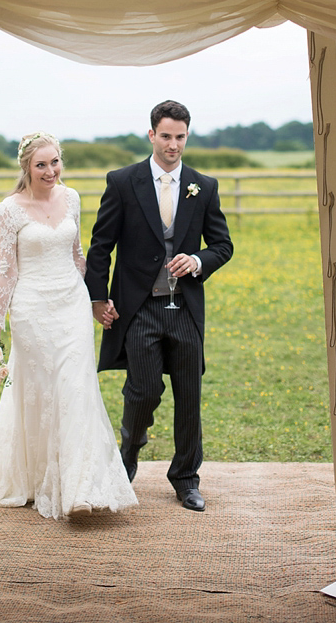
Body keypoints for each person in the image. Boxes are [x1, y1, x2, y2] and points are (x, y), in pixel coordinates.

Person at [0, 132, 137, 519]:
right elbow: (6, 270)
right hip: (31, 309)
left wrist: (94, 300)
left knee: (76, 388)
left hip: (71, 305)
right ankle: (40, 478)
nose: (50, 171)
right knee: (40, 393)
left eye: (55, 162)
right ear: (26, 167)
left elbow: (77, 255)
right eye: (41, 164)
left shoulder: (71, 198)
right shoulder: (8, 210)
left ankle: (79, 488)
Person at [84, 100, 233, 513]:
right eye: (165, 136)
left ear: (188, 136)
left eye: (180, 137)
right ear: (151, 134)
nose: (173, 144)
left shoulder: (203, 186)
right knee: (143, 390)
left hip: (184, 307)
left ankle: (186, 478)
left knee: (190, 395)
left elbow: (223, 245)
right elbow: (101, 247)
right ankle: (127, 458)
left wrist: (199, 260)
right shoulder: (122, 181)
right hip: (139, 307)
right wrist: (98, 298)